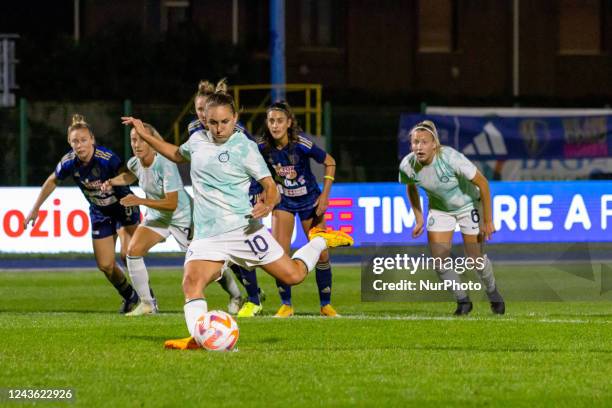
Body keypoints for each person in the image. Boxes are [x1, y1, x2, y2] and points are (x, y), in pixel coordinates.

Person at [121, 88, 353, 350]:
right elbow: (176, 154)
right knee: (191, 282)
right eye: (213, 123)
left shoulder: (246, 147)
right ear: (205, 120)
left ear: (235, 118)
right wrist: (144, 135)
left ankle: (320, 241)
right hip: (208, 235)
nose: (219, 129)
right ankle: (200, 337)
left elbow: (271, 186)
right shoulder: (197, 140)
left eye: (225, 122)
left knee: (293, 276)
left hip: (243, 230)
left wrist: (268, 204)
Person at [102, 122, 243, 316]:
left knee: (208, 263)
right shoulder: (135, 162)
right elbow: (130, 176)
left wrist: (139, 200)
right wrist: (112, 182)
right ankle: (147, 304)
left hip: (183, 218)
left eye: (143, 139)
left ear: (152, 143)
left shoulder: (165, 164)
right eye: (134, 139)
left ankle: (236, 296)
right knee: (132, 252)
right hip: (158, 218)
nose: (137, 144)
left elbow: (171, 203)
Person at [24, 114, 141, 313]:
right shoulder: (69, 162)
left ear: (92, 140)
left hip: (123, 207)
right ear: (70, 143)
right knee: (105, 265)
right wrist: (36, 208)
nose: (80, 145)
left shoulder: (106, 158)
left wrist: (113, 182)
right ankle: (130, 296)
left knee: (127, 254)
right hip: (99, 212)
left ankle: (148, 299)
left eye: (84, 140)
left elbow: (130, 175)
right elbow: (53, 179)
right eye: (75, 141)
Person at [399, 120, 505, 315]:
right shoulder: (407, 165)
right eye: (415, 142)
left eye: (423, 142)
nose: (418, 147)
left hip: (468, 205)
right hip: (440, 210)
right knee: (439, 260)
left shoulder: (451, 158)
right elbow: (410, 186)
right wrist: (419, 217)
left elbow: (483, 183)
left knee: (475, 260)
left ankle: (493, 293)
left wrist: (488, 220)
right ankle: (463, 301)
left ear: (434, 145)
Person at [193, 79, 266, 318]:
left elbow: (251, 161)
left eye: (206, 109)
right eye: (199, 110)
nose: (203, 115)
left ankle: (253, 297)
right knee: (225, 254)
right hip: (214, 203)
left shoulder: (236, 132)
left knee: (244, 251)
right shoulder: (195, 130)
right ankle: (250, 294)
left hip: (242, 194)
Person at [259, 101, 339, 317]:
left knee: (322, 254)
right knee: (279, 255)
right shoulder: (262, 147)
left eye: (279, 121)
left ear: (289, 123)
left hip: (310, 202)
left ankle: (325, 305)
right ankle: (286, 305)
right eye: (271, 121)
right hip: (283, 202)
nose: (275, 125)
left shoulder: (301, 143)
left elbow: (330, 161)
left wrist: (325, 195)